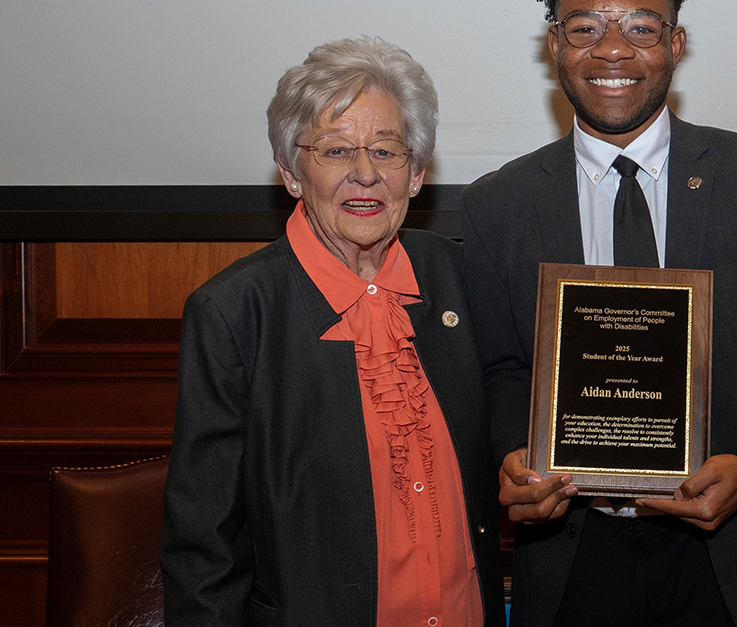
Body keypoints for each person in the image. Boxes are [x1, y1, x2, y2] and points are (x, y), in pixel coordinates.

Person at [461, 0, 737, 627]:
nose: (612, 49)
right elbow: (500, 369)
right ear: (553, 44)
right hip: (571, 556)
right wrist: (515, 455)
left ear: (676, 43)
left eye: (642, 29)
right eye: (584, 28)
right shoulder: (499, 204)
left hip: (729, 555)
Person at [161, 36, 504, 626]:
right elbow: (203, 545)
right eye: (337, 151)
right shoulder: (235, 311)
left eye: (388, 152)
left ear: (417, 174)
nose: (366, 175)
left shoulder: (456, 277)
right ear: (292, 174)